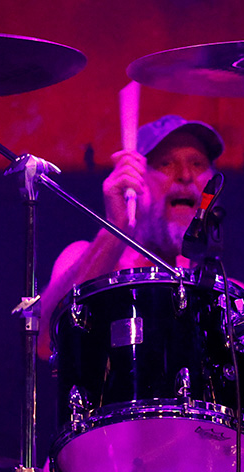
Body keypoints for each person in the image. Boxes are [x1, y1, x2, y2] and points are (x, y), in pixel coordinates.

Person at [38, 115, 224, 353]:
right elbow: (45, 342)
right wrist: (118, 227)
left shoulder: (223, 295)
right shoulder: (84, 257)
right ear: (135, 180)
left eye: (197, 164)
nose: (186, 176)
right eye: (165, 163)